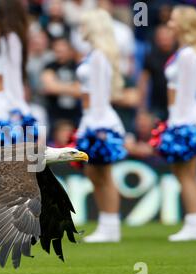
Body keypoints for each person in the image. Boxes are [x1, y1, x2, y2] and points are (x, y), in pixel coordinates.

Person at [161, 6, 196, 241]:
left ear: (183, 24)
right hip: (182, 118)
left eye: (173, 20)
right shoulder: (184, 52)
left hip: (185, 118)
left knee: (187, 173)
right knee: (183, 173)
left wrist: (175, 125)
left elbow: (185, 94)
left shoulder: (188, 55)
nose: (169, 25)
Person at [75, 9, 126, 243]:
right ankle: (108, 224)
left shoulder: (97, 56)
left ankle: (110, 224)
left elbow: (97, 96)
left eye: (84, 25)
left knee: (102, 174)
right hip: (93, 118)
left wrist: (94, 127)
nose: (80, 29)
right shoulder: (96, 55)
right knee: (96, 173)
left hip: (98, 120)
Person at [0, 0, 37, 147]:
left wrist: (16, 111)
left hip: (4, 107)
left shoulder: (10, 39)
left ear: (1, 14)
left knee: (6, 164)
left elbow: (14, 78)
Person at [40, 38, 81, 131]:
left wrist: (57, 86)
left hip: (75, 114)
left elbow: (81, 90)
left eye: (62, 51)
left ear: (70, 51)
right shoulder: (50, 66)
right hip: (55, 114)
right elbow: (49, 87)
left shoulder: (78, 67)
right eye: (56, 51)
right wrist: (73, 88)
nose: (59, 55)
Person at [138, 25, 177, 121]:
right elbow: (144, 80)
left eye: (166, 38)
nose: (164, 41)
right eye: (161, 38)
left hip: (176, 104)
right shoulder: (151, 56)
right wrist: (142, 107)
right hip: (157, 105)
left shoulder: (178, 55)